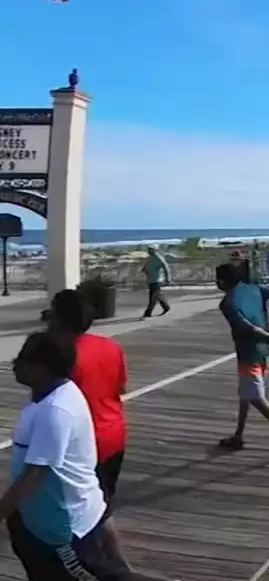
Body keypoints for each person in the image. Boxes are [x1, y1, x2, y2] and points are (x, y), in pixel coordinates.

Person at [2, 332, 161, 580]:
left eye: (23, 360)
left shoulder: (55, 411)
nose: (14, 364)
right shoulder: (49, 396)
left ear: (43, 368)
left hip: (62, 530)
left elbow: (34, 476)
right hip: (39, 521)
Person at [47, 289, 132, 570]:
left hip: (85, 444)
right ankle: (114, 564)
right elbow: (119, 387)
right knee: (101, 504)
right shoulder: (110, 347)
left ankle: (116, 568)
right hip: (115, 434)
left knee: (88, 512)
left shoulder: (64, 357)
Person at [214, 263, 269, 457]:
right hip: (264, 352)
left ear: (222, 281)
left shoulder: (227, 303)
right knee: (245, 393)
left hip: (249, 354)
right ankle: (238, 436)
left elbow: (245, 327)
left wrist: (266, 336)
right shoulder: (253, 288)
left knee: (255, 397)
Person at [139, 245, 171, 319]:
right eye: (148, 249)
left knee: (152, 297)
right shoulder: (149, 258)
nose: (149, 251)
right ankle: (166, 307)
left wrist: (168, 278)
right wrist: (145, 270)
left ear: (155, 250)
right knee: (157, 295)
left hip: (157, 280)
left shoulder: (158, 258)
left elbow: (166, 267)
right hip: (151, 280)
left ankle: (147, 313)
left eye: (150, 249)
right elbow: (144, 267)